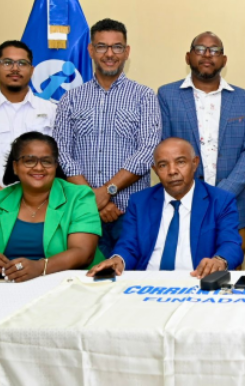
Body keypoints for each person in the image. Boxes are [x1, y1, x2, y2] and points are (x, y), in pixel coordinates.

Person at [54, 19, 161, 258]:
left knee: (132, 274)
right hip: (82, 212)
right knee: (85, 276)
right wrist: (92, 198)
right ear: (91, 50)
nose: (110, 54)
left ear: (127, 51)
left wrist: (107, 191)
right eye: (102, 46)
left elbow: (148, 150)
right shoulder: (70, 99)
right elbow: (61, 153)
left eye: (117, 47)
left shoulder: (144, 96)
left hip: (131, 211)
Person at [158, 32, 245, 253]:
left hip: (231, 201)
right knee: (185, 263)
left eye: (214, 50)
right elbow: (162, 150)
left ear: (224, 60)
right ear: (188, 57)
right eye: (200, 49)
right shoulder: (167, 95)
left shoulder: (242, 98)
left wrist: (224, 192)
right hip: (183, 200)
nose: (207, 55)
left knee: (231, 263)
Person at [86, 138, 242, 277]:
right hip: (148, 285)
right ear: (155, 171)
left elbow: (231, 244)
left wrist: (219, 260)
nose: (172, 171)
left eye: (180, 162)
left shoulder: (220, 200)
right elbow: (128, 246)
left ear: (195, 163)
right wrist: (118, 260)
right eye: (163, 165)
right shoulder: (140, 202)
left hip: (197, 281)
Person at [1, 132, 102, 282]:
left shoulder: (79, 196)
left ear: (55, 166)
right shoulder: (2, 199)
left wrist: (40, 267)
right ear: (15, 167)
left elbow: (83, 252)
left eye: (47, 161)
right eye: (29, 161)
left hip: (69, 285)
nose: (39, 167)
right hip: (7, 286)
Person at [0, 40, 57, 188]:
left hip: (40, 197)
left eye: (22, 63)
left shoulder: (51, 111)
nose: (15, 69)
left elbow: (58, 158)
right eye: (7, 63)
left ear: (32, 70)